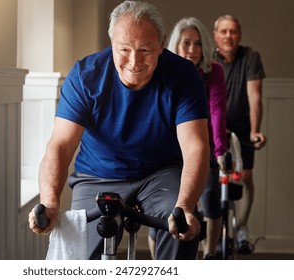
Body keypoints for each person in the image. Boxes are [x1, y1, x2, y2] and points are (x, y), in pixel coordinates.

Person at [28, 1, 210, 260]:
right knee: (75, 248)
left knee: (180, 224)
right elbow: (60, 145)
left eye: (145, 49)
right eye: (124, 49)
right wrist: (50, 202)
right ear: (111, 42)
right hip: (97, 173)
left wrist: (186, 206)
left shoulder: (183, 75)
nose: (134, 61)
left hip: (159, 173)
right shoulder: (84, 76)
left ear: (162, 44)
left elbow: (195, 146)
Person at [147, 17, 228, 260]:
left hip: (204, 144)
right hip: (169, 149)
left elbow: (217, 111)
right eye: (186, 43)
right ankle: (158, 262)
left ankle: (210, 254)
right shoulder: (163, 70)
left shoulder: (213, 71)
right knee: (164, 207)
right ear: (175, 44)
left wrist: (221, 151)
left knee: (211, 194)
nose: (192, 49)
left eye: (197, 44)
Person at [213, 15, 267, 254]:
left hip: (242, 129)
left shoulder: (250, 57)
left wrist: (255, 130)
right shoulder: (208, 58)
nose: (228, 36)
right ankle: (211, 230)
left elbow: (255, 97)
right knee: (210, 182)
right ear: (215, 36)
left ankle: (242, 228)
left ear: (240, 36)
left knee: (244, 178)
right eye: (223, 31)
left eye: (233, 31)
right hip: (213, 128)